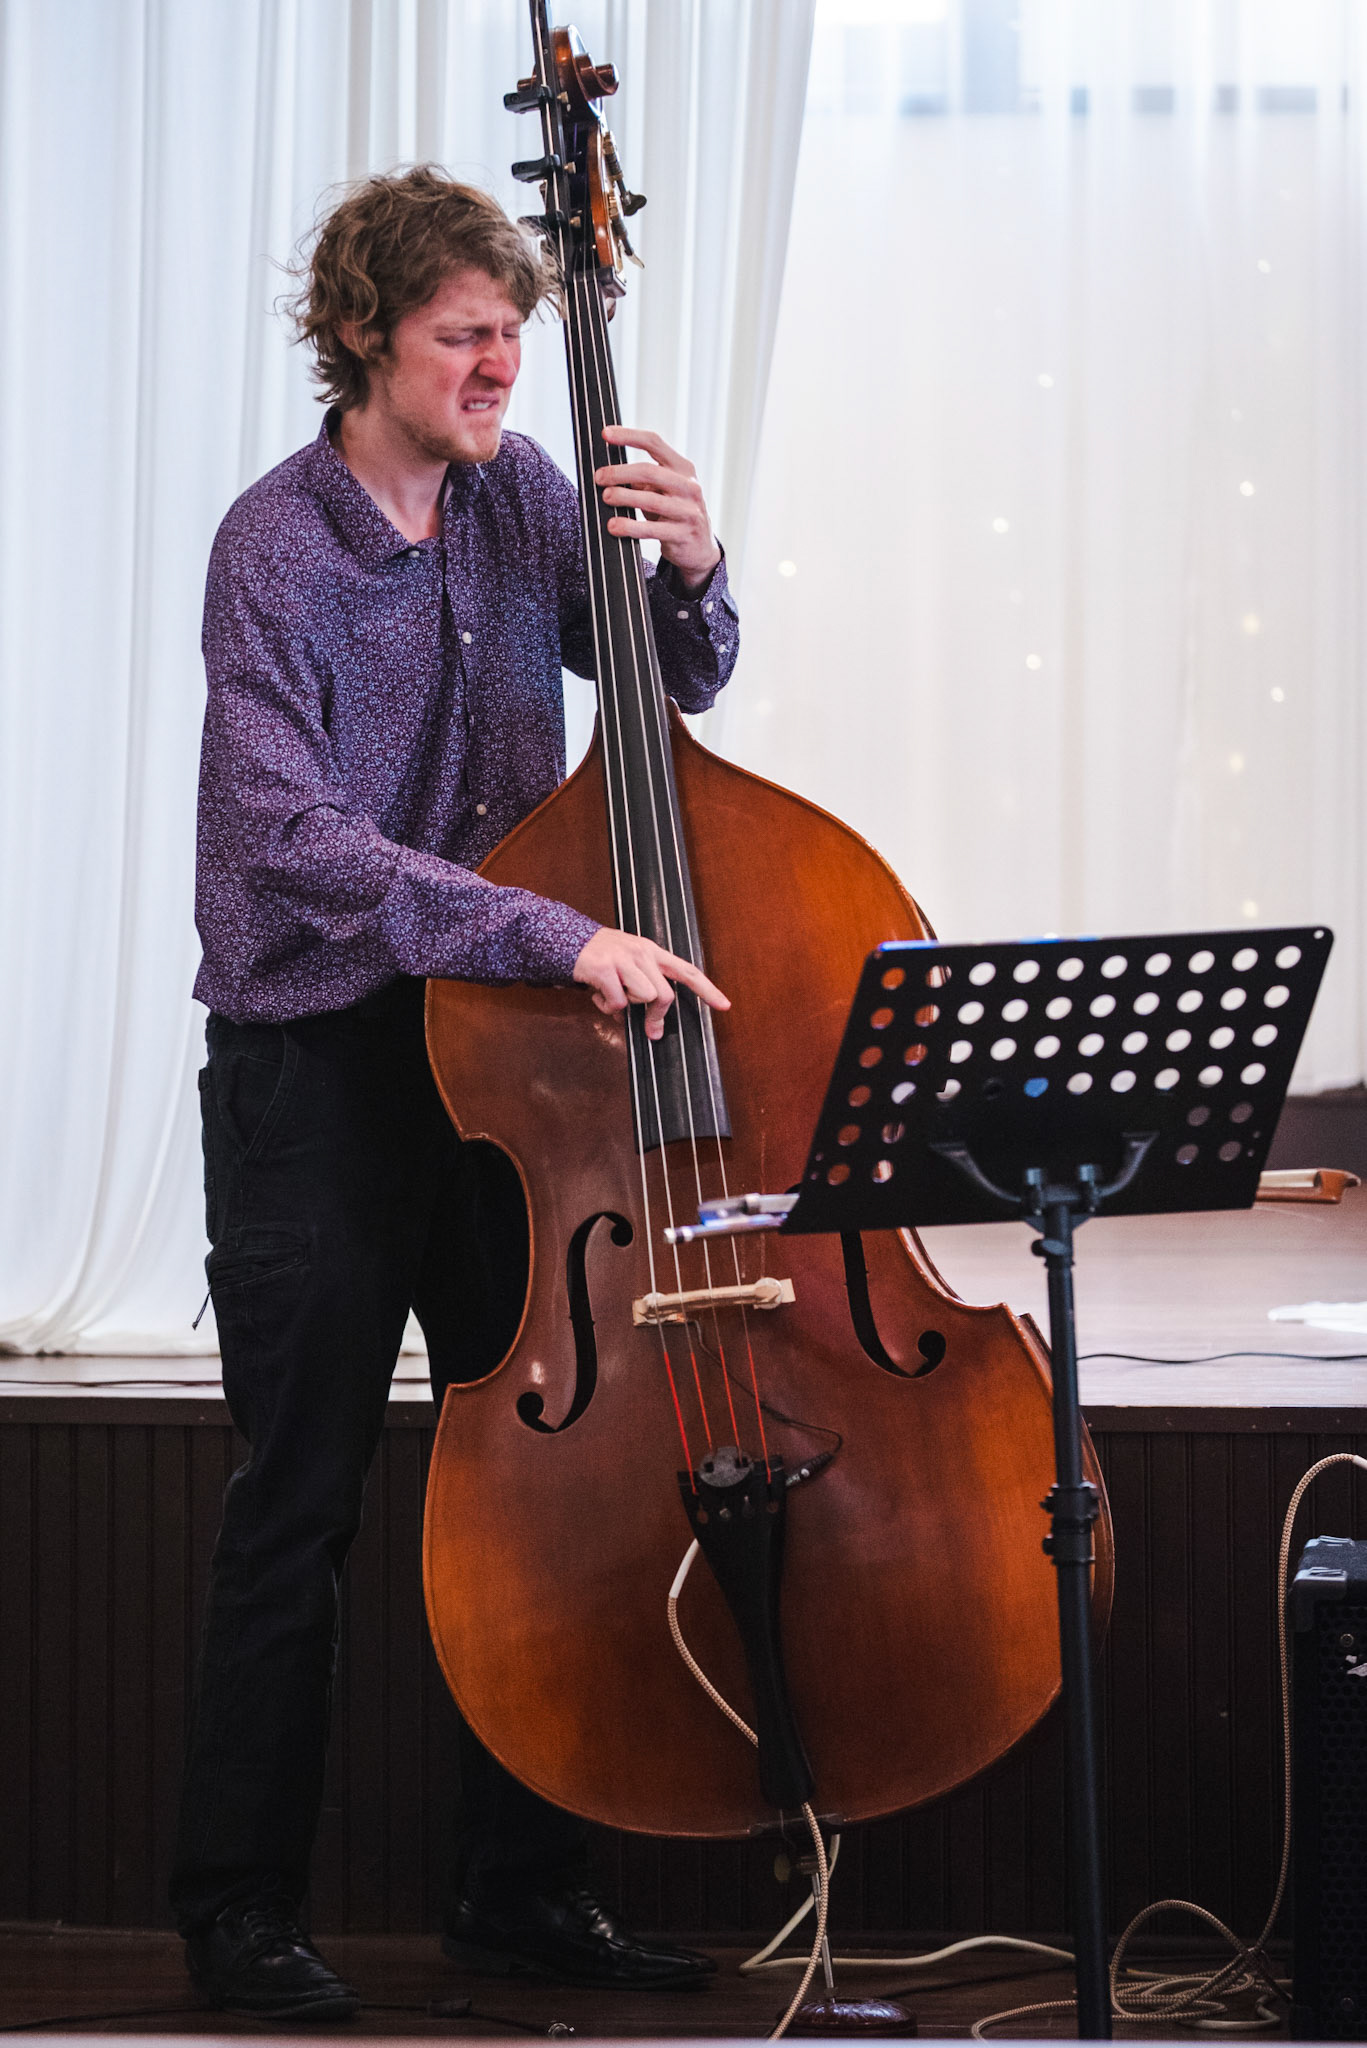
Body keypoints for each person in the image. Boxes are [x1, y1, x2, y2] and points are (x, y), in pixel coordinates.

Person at [172, 165, 737, 2023]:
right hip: (322, 1070)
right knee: (303, 1501)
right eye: (463, 337)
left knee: (545, 1484)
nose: (502, 365)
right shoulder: (277, 545)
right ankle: (236, 1916)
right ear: (365, 337)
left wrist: (698, 571)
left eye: (515, 331)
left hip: (499, 1068)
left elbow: (671, 694)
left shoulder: (521, 502)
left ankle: (525, 1893)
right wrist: (544, 927)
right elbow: (289, 837)